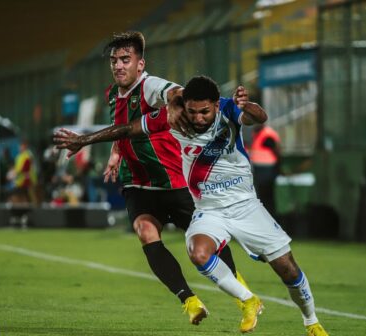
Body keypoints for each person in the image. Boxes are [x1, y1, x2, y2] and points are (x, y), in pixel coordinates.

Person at [54, 76, 329, 335]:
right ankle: (248, 300)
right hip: (209, 210)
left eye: (204, 112)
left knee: (288, 269)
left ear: (215, 104)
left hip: (246, 206)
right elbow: (128, 129)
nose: (197, 118)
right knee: (197, 251)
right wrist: (83, 140)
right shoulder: (174, 117)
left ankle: (311, 321)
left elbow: (259, 117)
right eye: (193, 111)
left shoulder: (228, 110)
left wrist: (248, 105)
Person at [58, 31, 245, 325]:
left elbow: (176, 91)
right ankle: (190, 301)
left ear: (140, 64)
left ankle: (242, 296)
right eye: (114, 60)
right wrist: (116, 153)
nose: (119, 66)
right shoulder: (112, 94)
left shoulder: (149, 86)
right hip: (137, 183)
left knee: (208, 242)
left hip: (174, 181)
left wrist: (176, 101)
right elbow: (122, 128)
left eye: (125, 60)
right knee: (145, 231)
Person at [250, 124, 281, 216]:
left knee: (266, 196)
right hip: (260, 169)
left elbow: (276, 151)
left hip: (267, 169)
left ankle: (270, 216)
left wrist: (278, 167)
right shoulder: (258, 133)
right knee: (262, 196)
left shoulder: (267, 134)